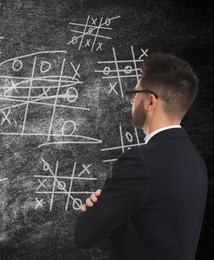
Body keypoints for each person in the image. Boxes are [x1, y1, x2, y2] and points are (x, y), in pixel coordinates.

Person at [74, 53, 207, 260]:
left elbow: (84, 235)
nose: (131, 102)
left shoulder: (140, 162)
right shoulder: (196, 162)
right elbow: (156, 232)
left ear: (150, 101)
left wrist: (98, 213)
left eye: (135, 95)